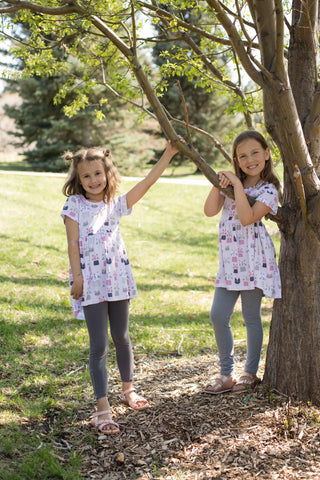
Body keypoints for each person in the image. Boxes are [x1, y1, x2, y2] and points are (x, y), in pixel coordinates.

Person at [61, 138, 182, 433]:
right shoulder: (74, 205)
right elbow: (72, 243)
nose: (93, 180)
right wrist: (77, 277)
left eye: (98, 174)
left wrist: (168, 152)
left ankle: (128, 390)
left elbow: (147, 183)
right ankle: (102, 406)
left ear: (107, 173)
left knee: (122, 336)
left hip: (117, 279)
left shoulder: (114, 203)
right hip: (89, 282)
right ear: (78, 178)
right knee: (99, 344)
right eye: (86, 175)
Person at [204, 130, 282, 394]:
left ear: (267, 154)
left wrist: (237, 186)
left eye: (255, 152)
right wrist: (220, 183)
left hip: (253, 263)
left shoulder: (268, 190)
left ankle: (250, 372)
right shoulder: (230, 186)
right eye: (242, 155)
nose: (249, 159)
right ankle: (226, 374)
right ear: (236, 160)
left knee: (251, 317)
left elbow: (247, 217)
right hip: (229, 264)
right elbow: (209, 211)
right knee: (218, 315)